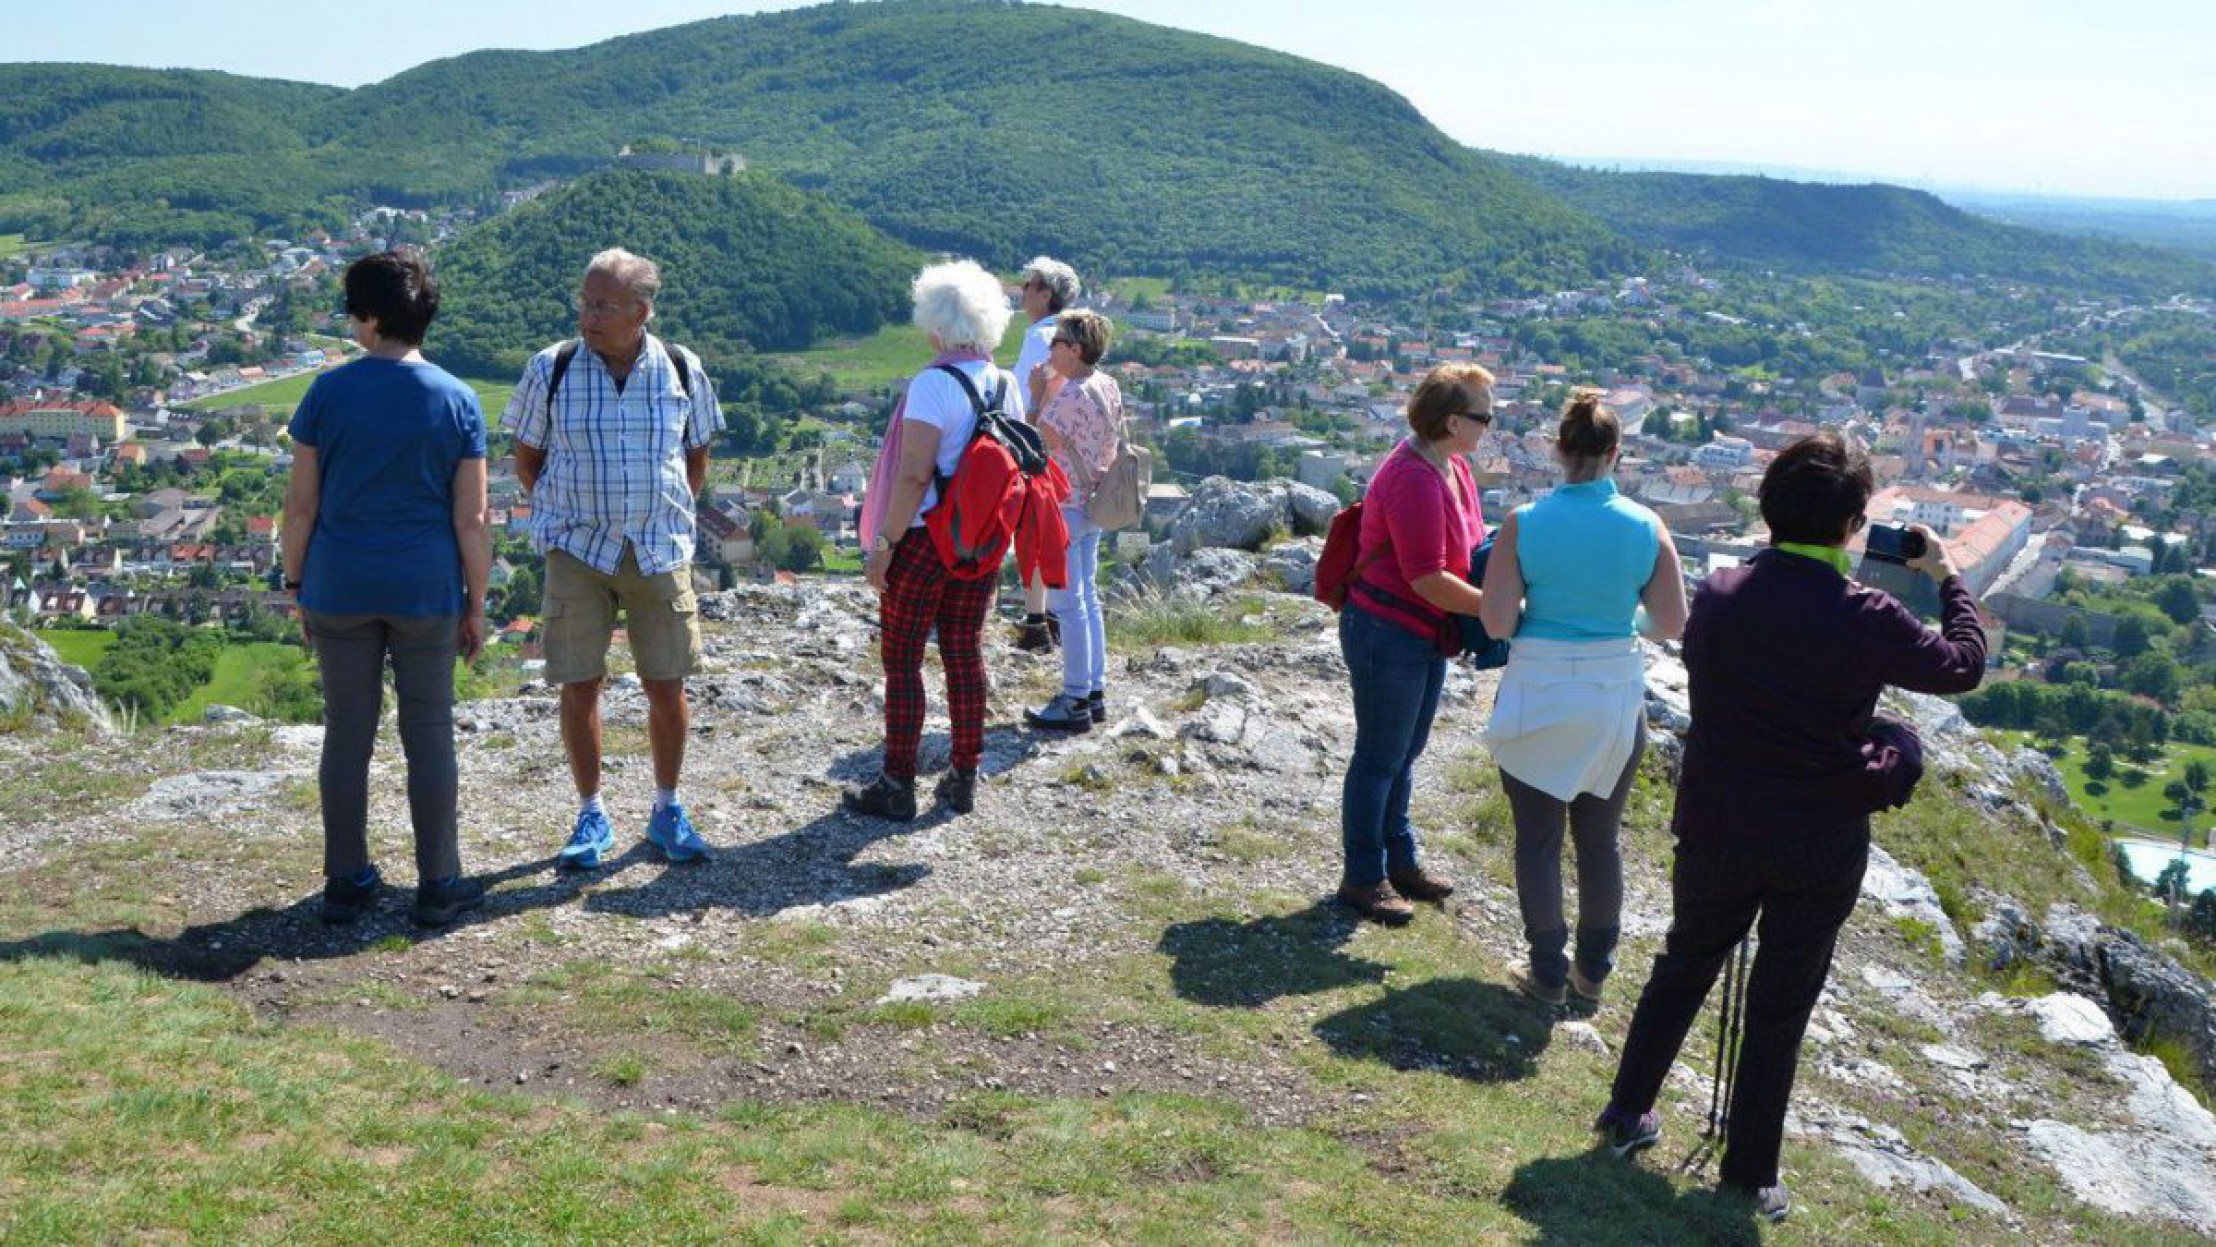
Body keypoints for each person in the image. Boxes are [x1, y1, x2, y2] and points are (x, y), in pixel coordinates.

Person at [1594, 432, 1985, 1222]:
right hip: (1817, 835)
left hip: (1719, 820)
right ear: (1851, 526)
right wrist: (1945, 575)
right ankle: (1748, 1173)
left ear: (1769, 508)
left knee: (1684, 963)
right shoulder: (1866, 614)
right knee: (1781, 1001)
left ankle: (1628, 1111)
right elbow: (1963, 664)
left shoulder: (1723, 592)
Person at [281, 250, 492, 927]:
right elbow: (472, 518)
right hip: (425, 588)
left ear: (372, 318)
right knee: (429, 731)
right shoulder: (458, 399)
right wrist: (477, 603)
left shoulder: (327, 393)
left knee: (347, 732)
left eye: (351, 308)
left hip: (339, 582)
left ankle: (346, 881)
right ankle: (439, 882)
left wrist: (296, 579)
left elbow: (301, 509)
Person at [503, 248, 723, 870]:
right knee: (578, 682)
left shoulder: (682, 367)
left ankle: (667, 808)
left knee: (668, 681)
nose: (588, 315)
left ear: (641, 311)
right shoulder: (552, 367)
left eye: (602, 305)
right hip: (577, 547)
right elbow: (527, 456)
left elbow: (696, 453)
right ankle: (590, 812)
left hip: (657, 546)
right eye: (585, 302)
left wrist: (666, 508)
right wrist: (561, 510)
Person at [1479, 388, 1688, 1005]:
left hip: (1539, 690)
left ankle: (1545, 972)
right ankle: (1591, 976)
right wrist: (1621, 623)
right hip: (1612, 695)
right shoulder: (1648, 526)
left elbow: (1495, 623)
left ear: (1557, 450)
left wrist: (1539, 615)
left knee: (1537, 839)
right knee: (1600, 841)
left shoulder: (1524, 523)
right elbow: (1673, 622)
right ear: (1616, 453)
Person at [846, 260, 1026, 821]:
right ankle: (964, 775)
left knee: (902, 661)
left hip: (923, 541)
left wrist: (884, 545)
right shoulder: (1005, 383)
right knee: (963, 652)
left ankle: (897, 783)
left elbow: (913, 475)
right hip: (978, 545)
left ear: (935, 325)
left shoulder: (932, 384)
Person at [1335, 364, 1491, 925]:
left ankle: (1399, 861)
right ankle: (1363, 876)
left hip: (1422, 631)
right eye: (1484, 416)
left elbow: (1467, 551)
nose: (1489, 425)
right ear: (1453, 421)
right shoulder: (1414, 478)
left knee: (1405, 753)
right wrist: (1502, 611)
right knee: (1380, 757)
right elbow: (1427, 578)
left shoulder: (1452, 468)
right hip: (1388, 630)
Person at [1023, 309, 1121, 732]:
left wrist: (1037, 393)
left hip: (1065, 505)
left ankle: (1075, 699)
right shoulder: (1107, 385)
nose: (1050, 350)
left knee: (1067, 605)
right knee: (1089, 599)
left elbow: (1032, 437)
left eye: (1057, 343)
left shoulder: (1068, 398)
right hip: (1096, 500)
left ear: (1074, 350)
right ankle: (1094, 691)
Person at [1008, 256, 1081, 652]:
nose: (1022, 291)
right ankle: (1045, 615)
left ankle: (1040, 620)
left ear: (1046, 294)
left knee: (1034, 532)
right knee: (1054, 533)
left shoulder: (1040, 337)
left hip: (1037, 443)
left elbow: (1022, 395)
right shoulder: (1068, 337)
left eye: (1029, 285)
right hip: (1064, 446)